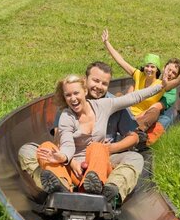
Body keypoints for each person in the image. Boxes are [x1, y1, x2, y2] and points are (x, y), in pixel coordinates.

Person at [35, 75, 165, 205]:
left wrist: (160, 86)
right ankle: (61, 187)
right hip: (75, 168)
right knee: (45, 146)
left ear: (85, 91)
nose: (73, 98)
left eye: (76, 93)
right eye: (68, 95)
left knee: (99, 147)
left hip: (98, 164)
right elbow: (67, 144)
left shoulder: (103, 106)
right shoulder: (66, 116)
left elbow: (132, 98)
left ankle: (100, 188)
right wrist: (64, 157)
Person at [18, 62, 141, 193]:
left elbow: (134, 137)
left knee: (135, 158)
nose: (99, 87)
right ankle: (55, 185)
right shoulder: (71, 101)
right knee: (27, 150)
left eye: (104, 83)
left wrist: (110, 148)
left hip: (103, 160)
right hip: (69, 161)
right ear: (85, 81)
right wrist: (70, 161)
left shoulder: (114, 104)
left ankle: (111, 189)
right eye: (95, 81)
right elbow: (58, 140)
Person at [101, 29, 180, 147]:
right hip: (125, 110)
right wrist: (107, 43)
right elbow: (121, 61)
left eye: (152, 67)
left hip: (138, 119)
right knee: (112, 95)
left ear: (157, 69)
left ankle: (137, 134)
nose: (149, 69)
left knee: (155, 112)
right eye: (147, 66)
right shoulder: (138, 74)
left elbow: (178, 81)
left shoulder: (161, 85)